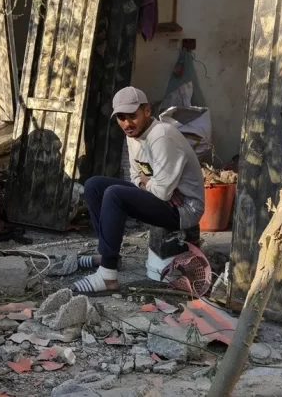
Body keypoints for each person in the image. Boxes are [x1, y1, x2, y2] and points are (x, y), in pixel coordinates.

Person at [72, 87, 205, 295]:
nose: (127, 124)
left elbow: (162, 192)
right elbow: (135, 177)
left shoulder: (161, 135)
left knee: (114, 194)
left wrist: (154, 184)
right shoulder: (133, 135)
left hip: (185, 209)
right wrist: (152, 183)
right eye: (121, 118)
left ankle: (107, 276)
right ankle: (108, 256)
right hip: (165, 199)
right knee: (94, 186)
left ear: (147, 111)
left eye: (132, 116)